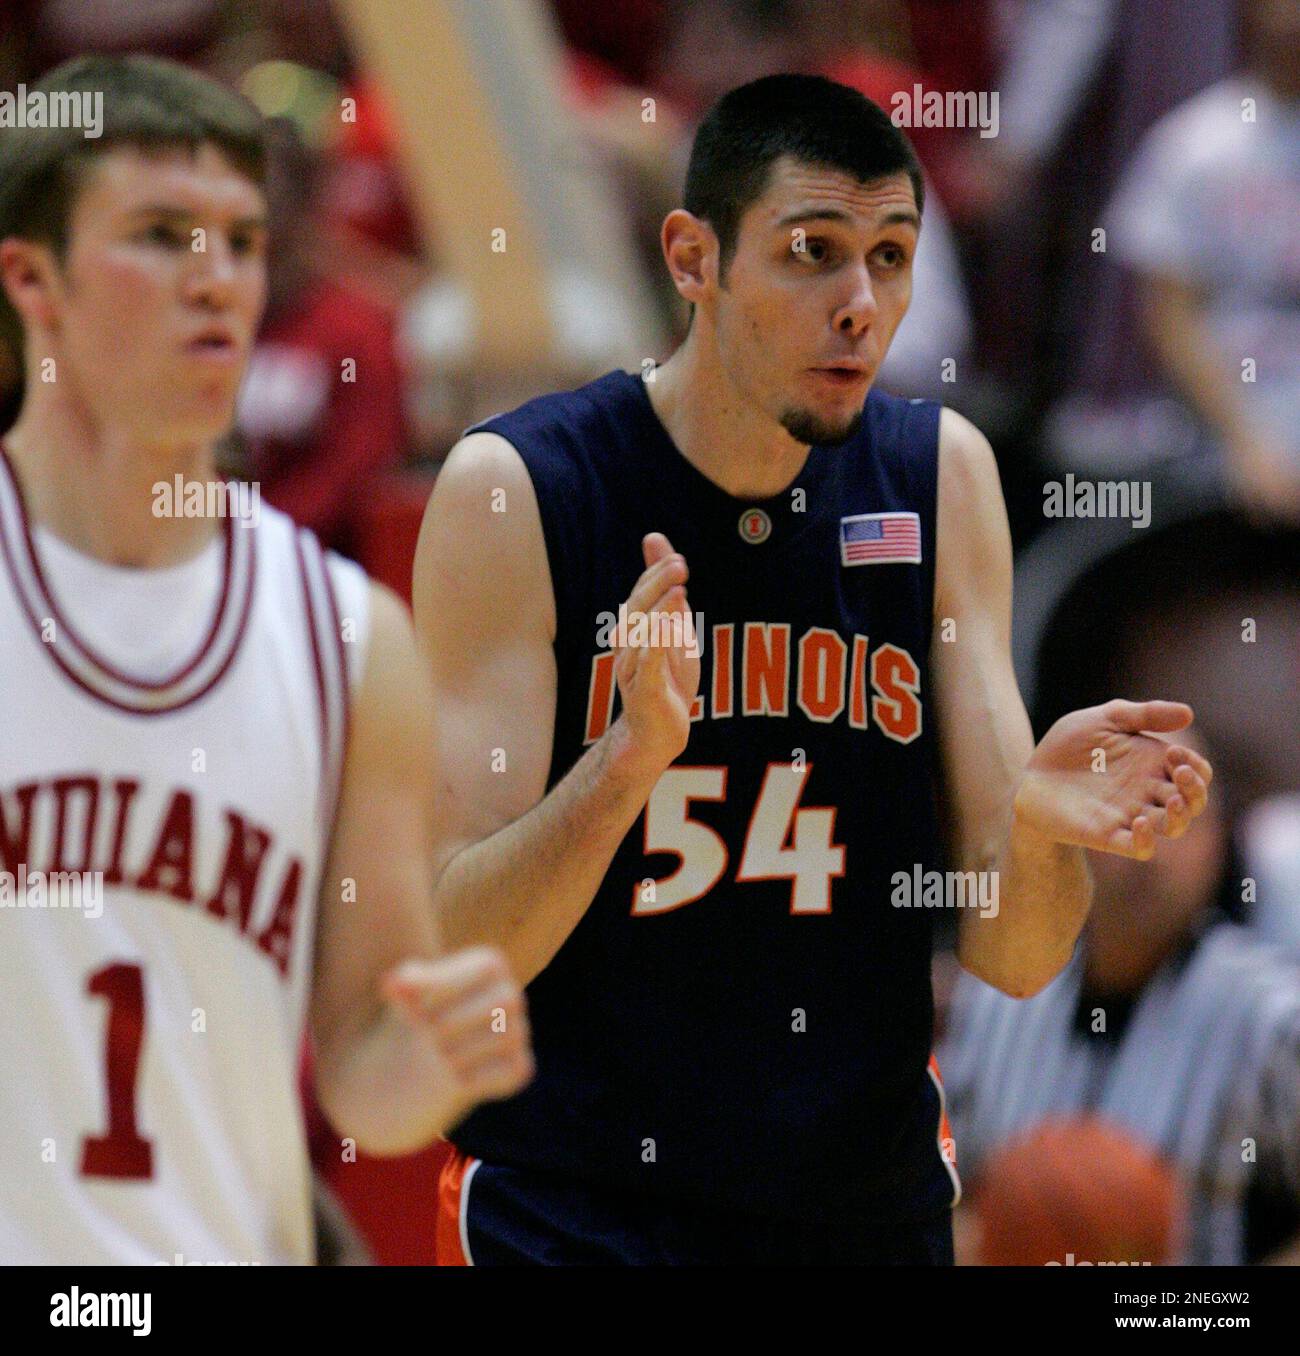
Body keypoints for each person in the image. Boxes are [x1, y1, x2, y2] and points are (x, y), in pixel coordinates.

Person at [414, 73, 1213, 1266]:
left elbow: (1015, 950)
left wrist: (1042, 834)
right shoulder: (519, 489)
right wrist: (625, 766)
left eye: (890, 258)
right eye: (811, 252)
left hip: (857, 1203)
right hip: (577, 1201)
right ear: (692, 258)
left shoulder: (939, 474)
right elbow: (457, 949)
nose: (859, 303)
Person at [0, 55, 532, 1265]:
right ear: (33, 279)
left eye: (240, 240)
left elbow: (363, 1071)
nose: (217, 281)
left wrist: (440, 1054)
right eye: (161, 235)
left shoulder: (352, 638)